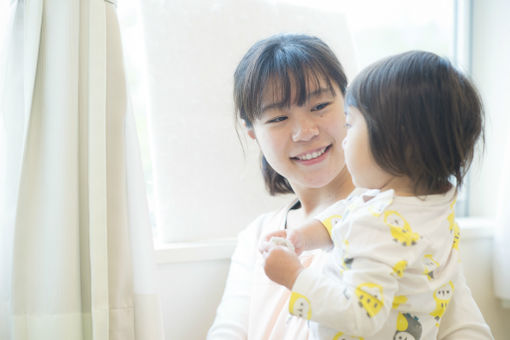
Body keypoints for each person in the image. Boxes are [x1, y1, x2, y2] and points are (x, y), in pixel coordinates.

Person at [207, 34, 493, 339]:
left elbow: (467, 331)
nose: (305, 132)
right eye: (278, 117)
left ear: (350, 106)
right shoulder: (258, 236)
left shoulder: (405, 221)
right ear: (252, 132)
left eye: (319, 106)